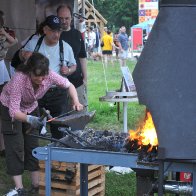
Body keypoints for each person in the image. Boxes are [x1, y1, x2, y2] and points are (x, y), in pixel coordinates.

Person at [0, 52, 83, 196]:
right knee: (16, 146)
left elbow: (69, 85)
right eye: (36, 75)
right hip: (10, 108)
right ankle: (19, 188)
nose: (40, 79)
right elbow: (14, 111)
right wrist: (30, 120)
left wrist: (76, 101)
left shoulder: (49, 74)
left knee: (33, 145)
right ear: (29, 71)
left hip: (31, 107)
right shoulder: (19, 79)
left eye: (43, 76)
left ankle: (35, 184)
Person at [23, 15, 77, 139]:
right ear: (45, 30)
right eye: (53, 31)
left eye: (58, 31)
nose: (56, 34)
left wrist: (68, 70)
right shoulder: (33, 43)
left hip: (57, 93)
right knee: (34, 126)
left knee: (60, 129)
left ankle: (59, 155)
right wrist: (24, 55)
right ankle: (34, 153)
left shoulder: (66, 47)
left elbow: (74, 66)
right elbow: (20, 56)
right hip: (36, 91)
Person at [57, 4, 88, 113]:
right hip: (58, 83)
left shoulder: (77, 34)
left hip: (77, 81)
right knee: (62, 117)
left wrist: (85, 77)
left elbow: (82, 56)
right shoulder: (54, 35)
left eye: (67, 18)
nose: (64, 21)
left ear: (71, 18)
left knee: (80, 114)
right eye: (61, 18)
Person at [0, 10, 18, 157]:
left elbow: (13, 41)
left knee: (3, 110)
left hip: (1, 73)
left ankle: (3, 146)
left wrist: (3, 33)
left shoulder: (4, 34)